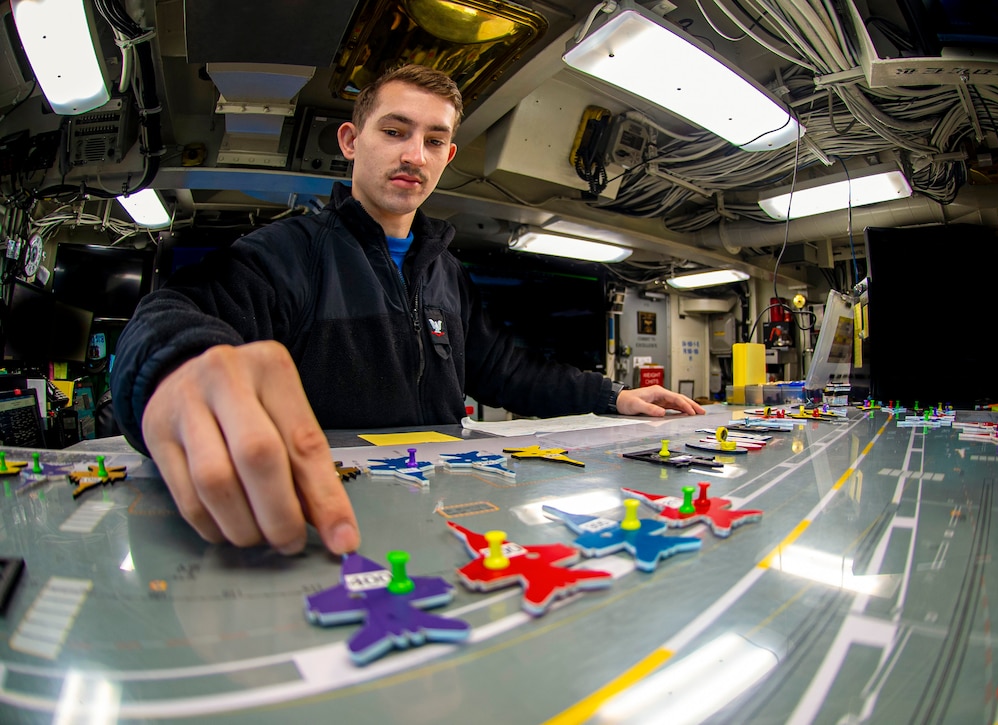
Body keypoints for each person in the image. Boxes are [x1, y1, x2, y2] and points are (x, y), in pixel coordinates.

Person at [113, 64, 705, 558]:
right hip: (332, 514)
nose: (412, 155)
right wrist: (175, 367)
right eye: (394, 131)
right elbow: (173, 313)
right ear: (351, 140)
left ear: (448, 155)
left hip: (444, 510)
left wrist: (613, 397)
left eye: (431, 140)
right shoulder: (287, 253)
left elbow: (507, 370)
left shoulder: (444, 271)